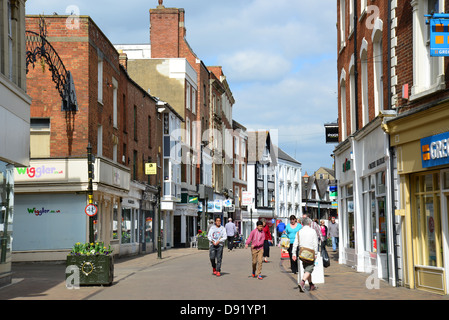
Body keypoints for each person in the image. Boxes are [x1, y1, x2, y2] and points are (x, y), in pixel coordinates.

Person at [293, 217, 319, 292]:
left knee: (306, 269)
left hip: (302, 253)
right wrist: (316, 253)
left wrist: (294, 253)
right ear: (309, 223)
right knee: (309, 269)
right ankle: (302, 282)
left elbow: (295, 243)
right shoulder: (313, 231)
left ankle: (311, 284)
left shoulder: (299, 232)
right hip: (310, 252)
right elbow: (315, 243)